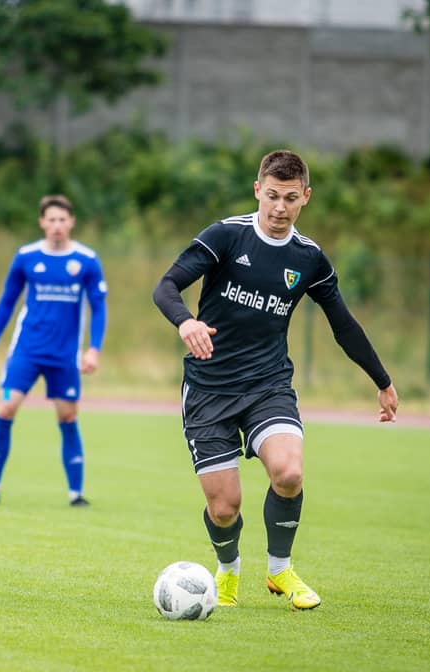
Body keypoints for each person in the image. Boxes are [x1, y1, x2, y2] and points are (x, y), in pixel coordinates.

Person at [152, 149, 399, 610]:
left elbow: (343, 325)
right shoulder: (226, 236)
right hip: (208, 389)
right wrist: (186, 322)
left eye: (289, 198)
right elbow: (165, 287)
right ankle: (227, 571)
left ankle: (280, 570)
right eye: (271, 196)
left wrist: (382, 381)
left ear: (306, 197)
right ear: (257, 191)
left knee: (289, 473)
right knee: (224, 508)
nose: (279, 208)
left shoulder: (309, 258)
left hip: (268, 386)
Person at [0, 195, 108, 507]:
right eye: (51, 220)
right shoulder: (26, 257)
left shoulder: (87, 260)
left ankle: (76, 495)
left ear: (71, 222)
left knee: (68, 416)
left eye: (62, 220)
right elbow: (7, 303)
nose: (57, 225)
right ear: (42, 222)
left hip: (65, 355)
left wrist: (93, 350)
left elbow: (99, 308)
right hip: (26, 351)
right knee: (6, 407)